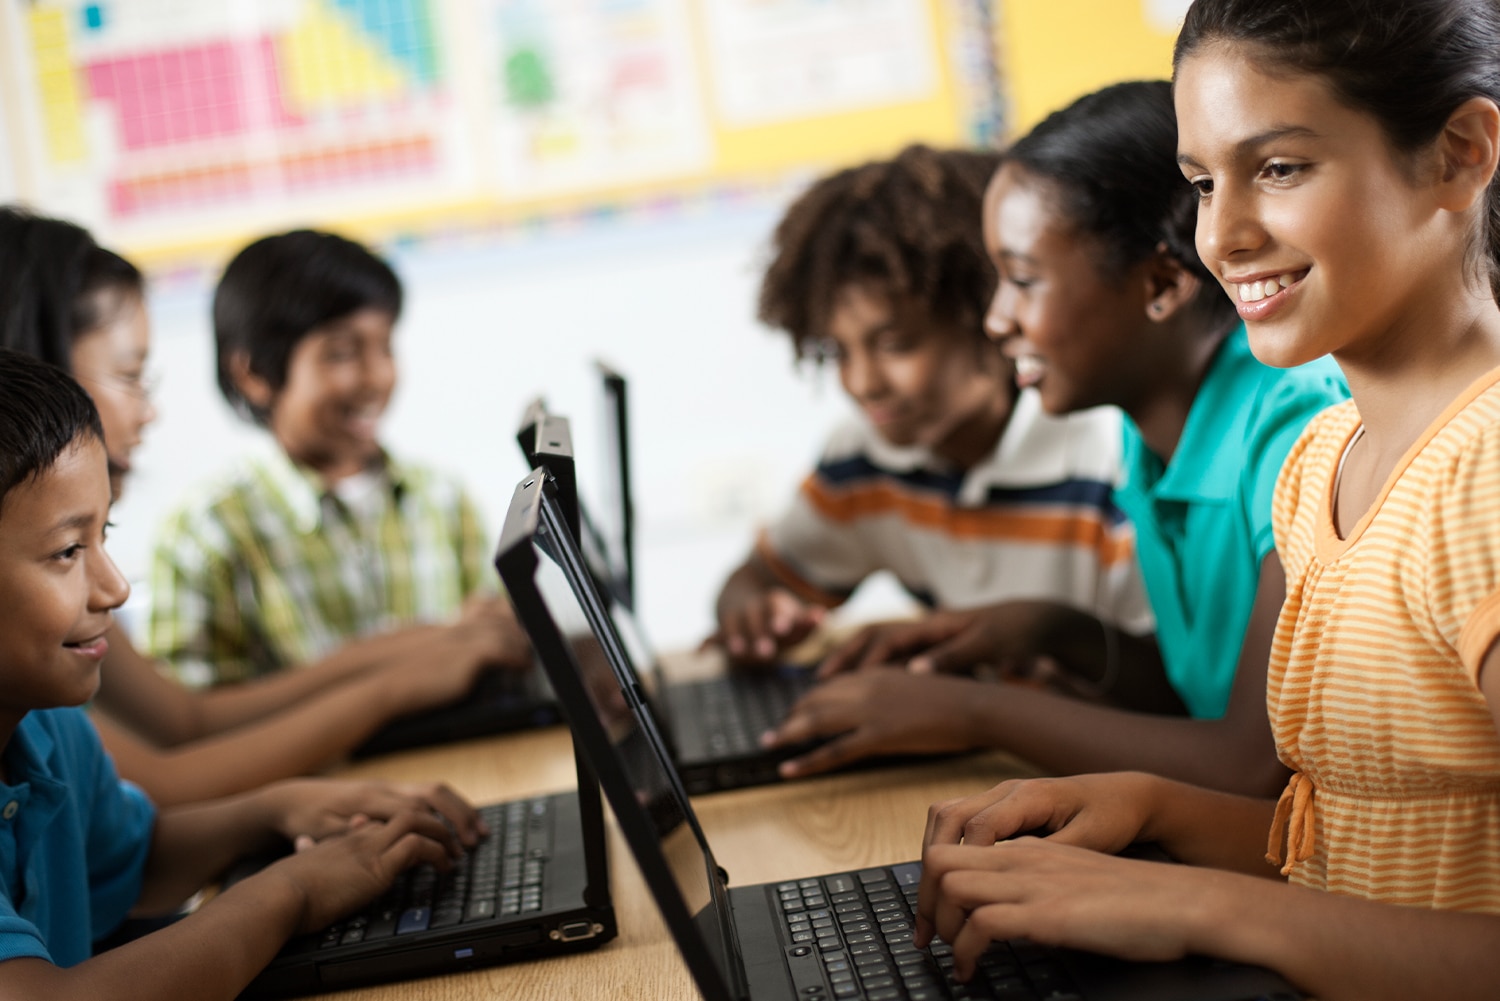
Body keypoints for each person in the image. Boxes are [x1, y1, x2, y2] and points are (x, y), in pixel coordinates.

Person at [917, 3, 1500, 997]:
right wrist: (1150, 808)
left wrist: (1198, 901)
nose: (1219, 235)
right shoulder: (1325, 457)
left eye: (1278, 168)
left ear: (1458, 152)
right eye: (1200, 182)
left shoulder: (1484, 478)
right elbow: (1379, 849)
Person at [761, 81, 1348, 794]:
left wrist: (975, 711)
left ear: (1161, 284)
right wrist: (1050, 627)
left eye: (1022, 280)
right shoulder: (1154, 434)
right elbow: (1194, 702)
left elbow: (1251, 767)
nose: (996, 320)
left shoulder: (1298, 431)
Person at [0, 346, 483, 999]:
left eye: (104, 533)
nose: (113, 587)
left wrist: (280, 806)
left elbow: (132, 859)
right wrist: (293, 889)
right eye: (66, 551)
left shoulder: (50, 730)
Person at [0, 207, 525, 806]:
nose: (115, 587)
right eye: (130, 376)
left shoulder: (442, 496)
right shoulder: (186, 538)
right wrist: (393, 687)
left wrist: (429, 646)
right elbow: (167, 783)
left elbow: (185, 720)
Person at [713, 144, 1159, 692]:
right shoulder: (865, 458)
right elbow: (755, 577)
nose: (861, 383)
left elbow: (1173, 689)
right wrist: (754, 614)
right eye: (837, 352)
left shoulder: (1109, 458)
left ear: (988, 312)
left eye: (896, 344)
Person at [144, 229, 524, 697]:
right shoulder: (205, 533)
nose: (376, 377)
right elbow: (192, 717)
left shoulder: (443, 499)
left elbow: (495, 652)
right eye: (342, 353)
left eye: (385, 347)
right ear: (256, 374)